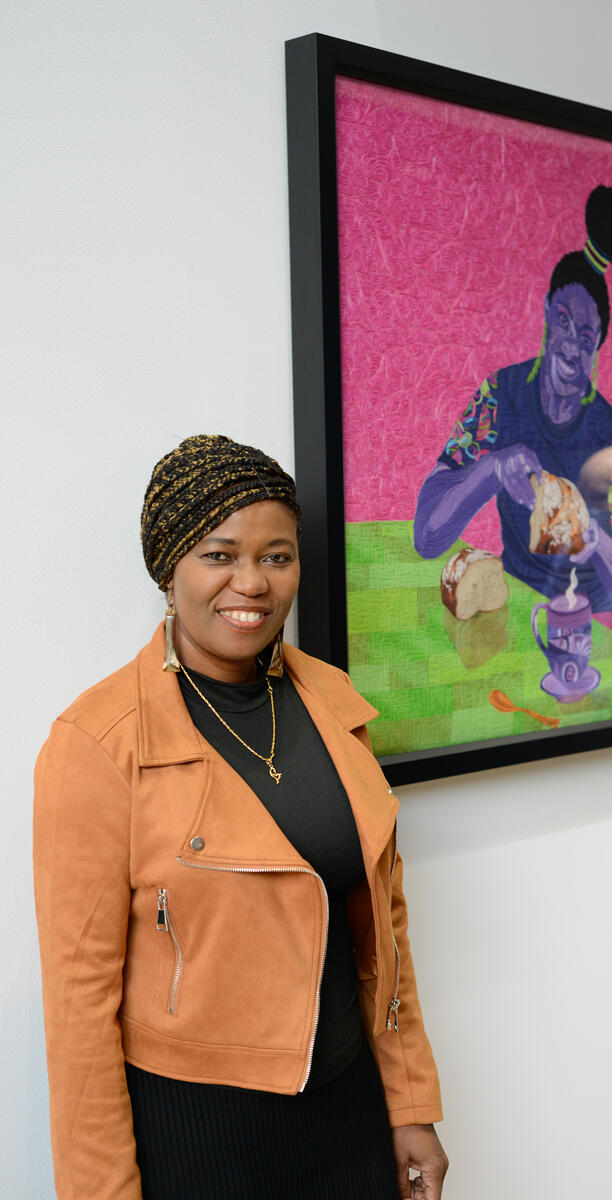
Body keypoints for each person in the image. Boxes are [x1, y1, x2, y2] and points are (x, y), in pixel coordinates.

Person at [34, 434, 447, 1200]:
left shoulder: (331, 704)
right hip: (198, 1135)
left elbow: (383, 930)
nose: (251, 583)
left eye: (276, 556)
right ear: (168, 570)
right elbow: (78, 1009)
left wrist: (410, 1105)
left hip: (349, 1113)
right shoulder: (96, 744)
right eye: (219, 555)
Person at [414, 185, 612, 616]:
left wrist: (593, 539)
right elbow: (427, 534)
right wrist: (493, 467)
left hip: (592, 622)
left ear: (597, 347)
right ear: (545, 310)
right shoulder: (501, 397)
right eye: (563, 321)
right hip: (520, 608)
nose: (570, 347)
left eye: (585, 337)